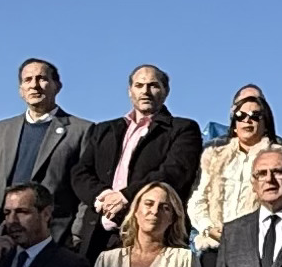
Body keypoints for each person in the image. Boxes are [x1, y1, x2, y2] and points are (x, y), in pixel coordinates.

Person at [76, 64, 205, 253]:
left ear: (165, 91)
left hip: (154, 236)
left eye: (153, 85)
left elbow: (173, 173)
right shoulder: (104, 130)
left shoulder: (183, 129)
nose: (145, 91)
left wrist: (125, 197)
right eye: (139, 85)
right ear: (130, 91)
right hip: (99, 235)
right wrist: (103, 197)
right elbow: (80, 172)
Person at [0, 59, 92, 244]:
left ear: (57, 86)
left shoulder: (80, 130)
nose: (34, 85)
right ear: (21, 90)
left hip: (52, 234)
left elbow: (84, 187)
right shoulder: (1, 130)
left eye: (42, 78)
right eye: (27, 80)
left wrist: (77, 233)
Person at [189, 86, 282, 242]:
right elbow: (198, 199)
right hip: (214, 243)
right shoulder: (213, 155)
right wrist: (208, 228)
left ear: (266, 122)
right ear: (234, 124)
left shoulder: (281, 158)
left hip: (257, 244)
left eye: (255, 116)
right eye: (240, 115)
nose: (247, 120)